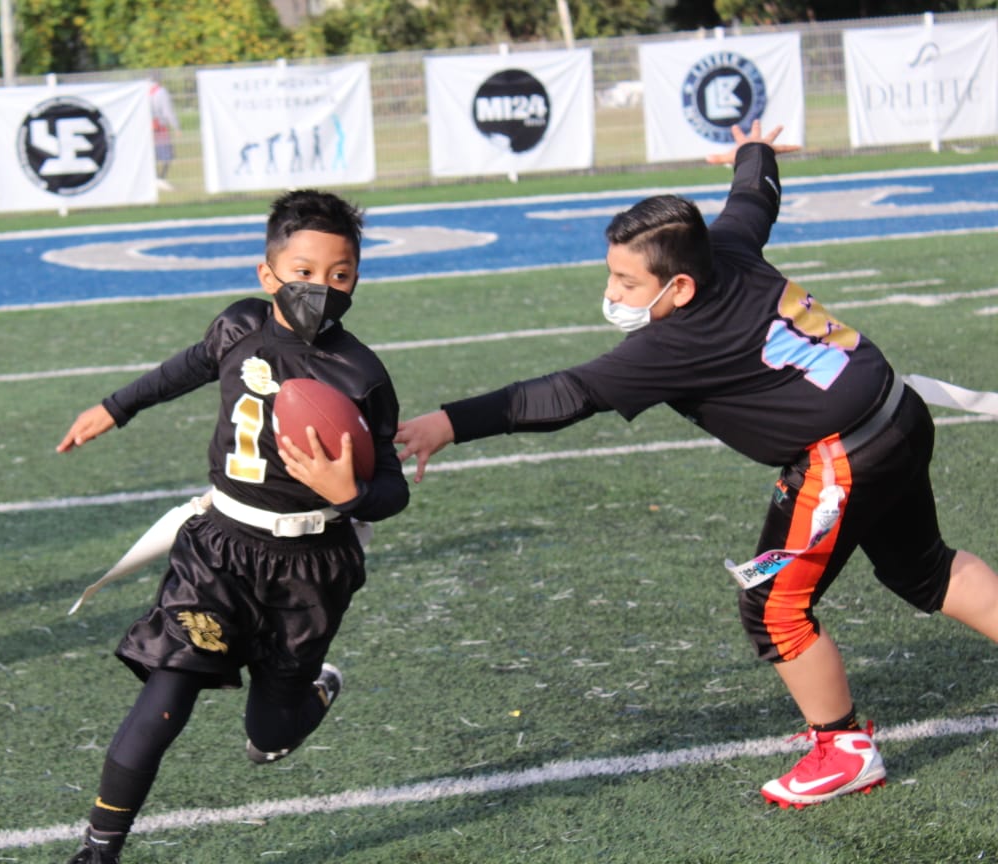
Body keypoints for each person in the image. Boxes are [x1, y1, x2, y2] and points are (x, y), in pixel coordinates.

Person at [394, 121, 998, 809]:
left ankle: (843, 749)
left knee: (772, 606)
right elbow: (754, 195)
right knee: (923, 567)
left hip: (843, 458)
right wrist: (752, 148)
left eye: (626, 281)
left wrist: (449, 421)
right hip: (897, 410)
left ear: (678, 286)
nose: (614, 292)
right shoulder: (728, 246)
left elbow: (566, 394)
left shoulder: (671, 344)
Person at [56, 189, 409, 863]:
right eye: (304, 272)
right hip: (219, 548)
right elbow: (185, 368)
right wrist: (116, 406)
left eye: (341, 276)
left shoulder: (360, 373)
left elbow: (392, 489)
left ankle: (314, 691)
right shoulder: (238, 326)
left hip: (312, 566)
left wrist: (353, 491)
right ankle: (97, 852)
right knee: (168, 691)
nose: (322, 289)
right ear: (267, 273)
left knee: (269, 735)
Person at [149, 77, 180, 191]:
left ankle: (154, 178)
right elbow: (167, 110)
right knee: (167, 154)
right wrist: (176, 126)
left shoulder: (142, 89)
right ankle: (160, 178)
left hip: (146, 128)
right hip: (159, 127)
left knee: (151, 155)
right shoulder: (161, 92)